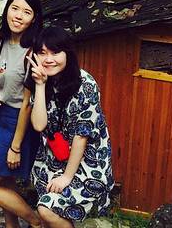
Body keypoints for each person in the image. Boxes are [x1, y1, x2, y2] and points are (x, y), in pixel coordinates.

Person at [28, 26, 114, 227]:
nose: (48, 59)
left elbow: (81, 136)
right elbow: (39, 125)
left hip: (86, 160)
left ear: (68, 53)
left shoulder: (86, 84)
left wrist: (67, 177)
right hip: (52, 157)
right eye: (42, 53)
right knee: (47, 209)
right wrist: (40, 86)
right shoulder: (41, 80)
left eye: (55, 52)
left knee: (46, 209)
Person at [0, 0, 44, 228]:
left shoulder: (33, 52)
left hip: (16, 121)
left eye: (26, 12)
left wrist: (15, 147)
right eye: (15, 8)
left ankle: (36, 222)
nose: (18, 16)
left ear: (34, 19)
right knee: (5, 183)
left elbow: (27, 104)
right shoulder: (2, 39)